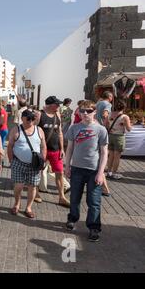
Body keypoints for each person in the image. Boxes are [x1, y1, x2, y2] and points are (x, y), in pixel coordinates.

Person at [64, 100, 109, 242]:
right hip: (77, 169)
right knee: (74, 197)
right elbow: (69, 148)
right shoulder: (74, 128)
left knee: (94, 201)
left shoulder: (101, 130)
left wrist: (101, 172)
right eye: (82, 110)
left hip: (93, 171)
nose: (85, 113)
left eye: (88, 111)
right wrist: (67, 166)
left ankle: (94, 227)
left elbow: (104, 152)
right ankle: (72, 219)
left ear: (94, 112)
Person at [8, 109, 47, 218]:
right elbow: (10, 146)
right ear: (22, 118)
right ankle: (17, 204)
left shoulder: (39, 130)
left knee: (32, 186)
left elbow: (43, 146)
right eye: (28, 118)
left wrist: (42, 161)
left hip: (34, 165)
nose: (30, 121)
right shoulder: (16, 130)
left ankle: (28, 207)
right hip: (18, 163)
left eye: (32, 118)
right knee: (18, 186)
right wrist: (11, 161)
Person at [35, 96, 70, 207]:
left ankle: (61, 197)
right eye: (56, 104)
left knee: (59, 173)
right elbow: (33, 131)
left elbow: (59, 132)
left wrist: (62, 149)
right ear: (50, 105)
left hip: (55, 150)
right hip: (41, 149)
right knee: (37, 172)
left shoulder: (57, 114)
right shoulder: (39, 114)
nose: (58, 106)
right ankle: (36, 193)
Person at [106, 100, 132, 180]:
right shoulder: (125, 117)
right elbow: (129, 129)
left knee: (110, 155)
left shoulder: (109, 114)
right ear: (124, 107)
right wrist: (131, 125)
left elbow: (105, 124)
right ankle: (114, 173)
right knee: (117, 156)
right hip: (119, 137)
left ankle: (109, 172)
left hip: (110, 136)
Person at [95, 91, 114, 196]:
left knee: (99, 157)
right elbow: (104, 115)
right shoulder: (107, 104)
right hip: (102, 130)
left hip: (96, 129)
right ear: (109, 97)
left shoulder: (98, 103)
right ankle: (105, 188)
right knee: (102, 157)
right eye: (112, 96)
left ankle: (104, 187)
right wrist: (108, 124)